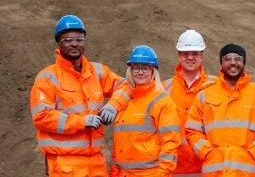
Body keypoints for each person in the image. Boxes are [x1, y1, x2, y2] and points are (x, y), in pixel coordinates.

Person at [30, 15, 130, 177]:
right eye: (68, 39)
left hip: (96, 162)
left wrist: (113, 105)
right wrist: (82, 122)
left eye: (79, 39)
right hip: (65, 164)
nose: (75, 43)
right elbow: (41, 117)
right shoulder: (47, 78)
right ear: (58, 43)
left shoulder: (97, 71)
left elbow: (125, 85)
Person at [185, 43, 255, 176]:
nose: (233, 62)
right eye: (227, 58)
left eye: (237, 58)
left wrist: (253, 153)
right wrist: (207, 152)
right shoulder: (205, 95)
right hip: (216, 172)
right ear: (221, 63)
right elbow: (192, 131)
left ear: (244, 62)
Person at [109, 45, 181, 177]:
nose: (140, 72)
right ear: (130, 70)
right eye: (136, 67)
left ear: (153, 71)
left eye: (145, 68)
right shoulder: (125, 101)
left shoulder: (162, 102)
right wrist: (114, 172)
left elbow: (170, 144)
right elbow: (119, 143)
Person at [163, 29, 217, 176]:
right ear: (179, 56)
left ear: (202, 56)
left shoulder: (216, 86)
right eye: (186, 53)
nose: (190, 58)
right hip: (174, 168)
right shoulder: (164, 89)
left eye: (195, 53)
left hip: (205, 168)